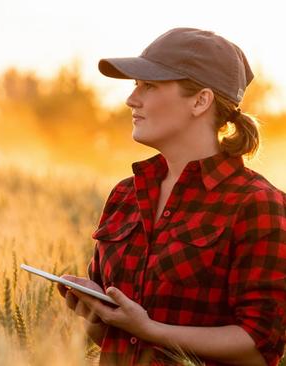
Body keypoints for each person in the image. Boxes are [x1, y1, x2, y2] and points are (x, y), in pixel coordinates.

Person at [56, 28, 286, 366]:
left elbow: (258, 346)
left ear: (200, 101)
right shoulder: (125, 195)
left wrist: (151, 330)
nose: (131, 99)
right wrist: (93, 313)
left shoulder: (257, 204)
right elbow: (114, 336)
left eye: (148, 85)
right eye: (135, 85)